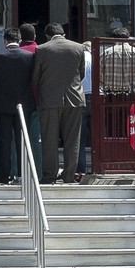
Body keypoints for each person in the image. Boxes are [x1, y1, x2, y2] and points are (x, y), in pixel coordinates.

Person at [30, 21, 87, 183]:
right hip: (75, 98)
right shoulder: (78, 47)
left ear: (47, 35)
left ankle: (49, 175)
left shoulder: (42, 49)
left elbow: (35, 77)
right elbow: (81, 73)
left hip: (49, 99)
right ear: (64, 33)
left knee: (49, 139)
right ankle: (69, 175)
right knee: (72, 140)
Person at [0, 29, 35, 183]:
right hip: (24, 105)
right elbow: (32, 79)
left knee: (4, 141)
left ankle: (4, 175)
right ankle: (23, 174)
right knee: (22, 141)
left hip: (2, 105)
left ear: (5, 40)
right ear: (19, 39)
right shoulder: (29, 56)